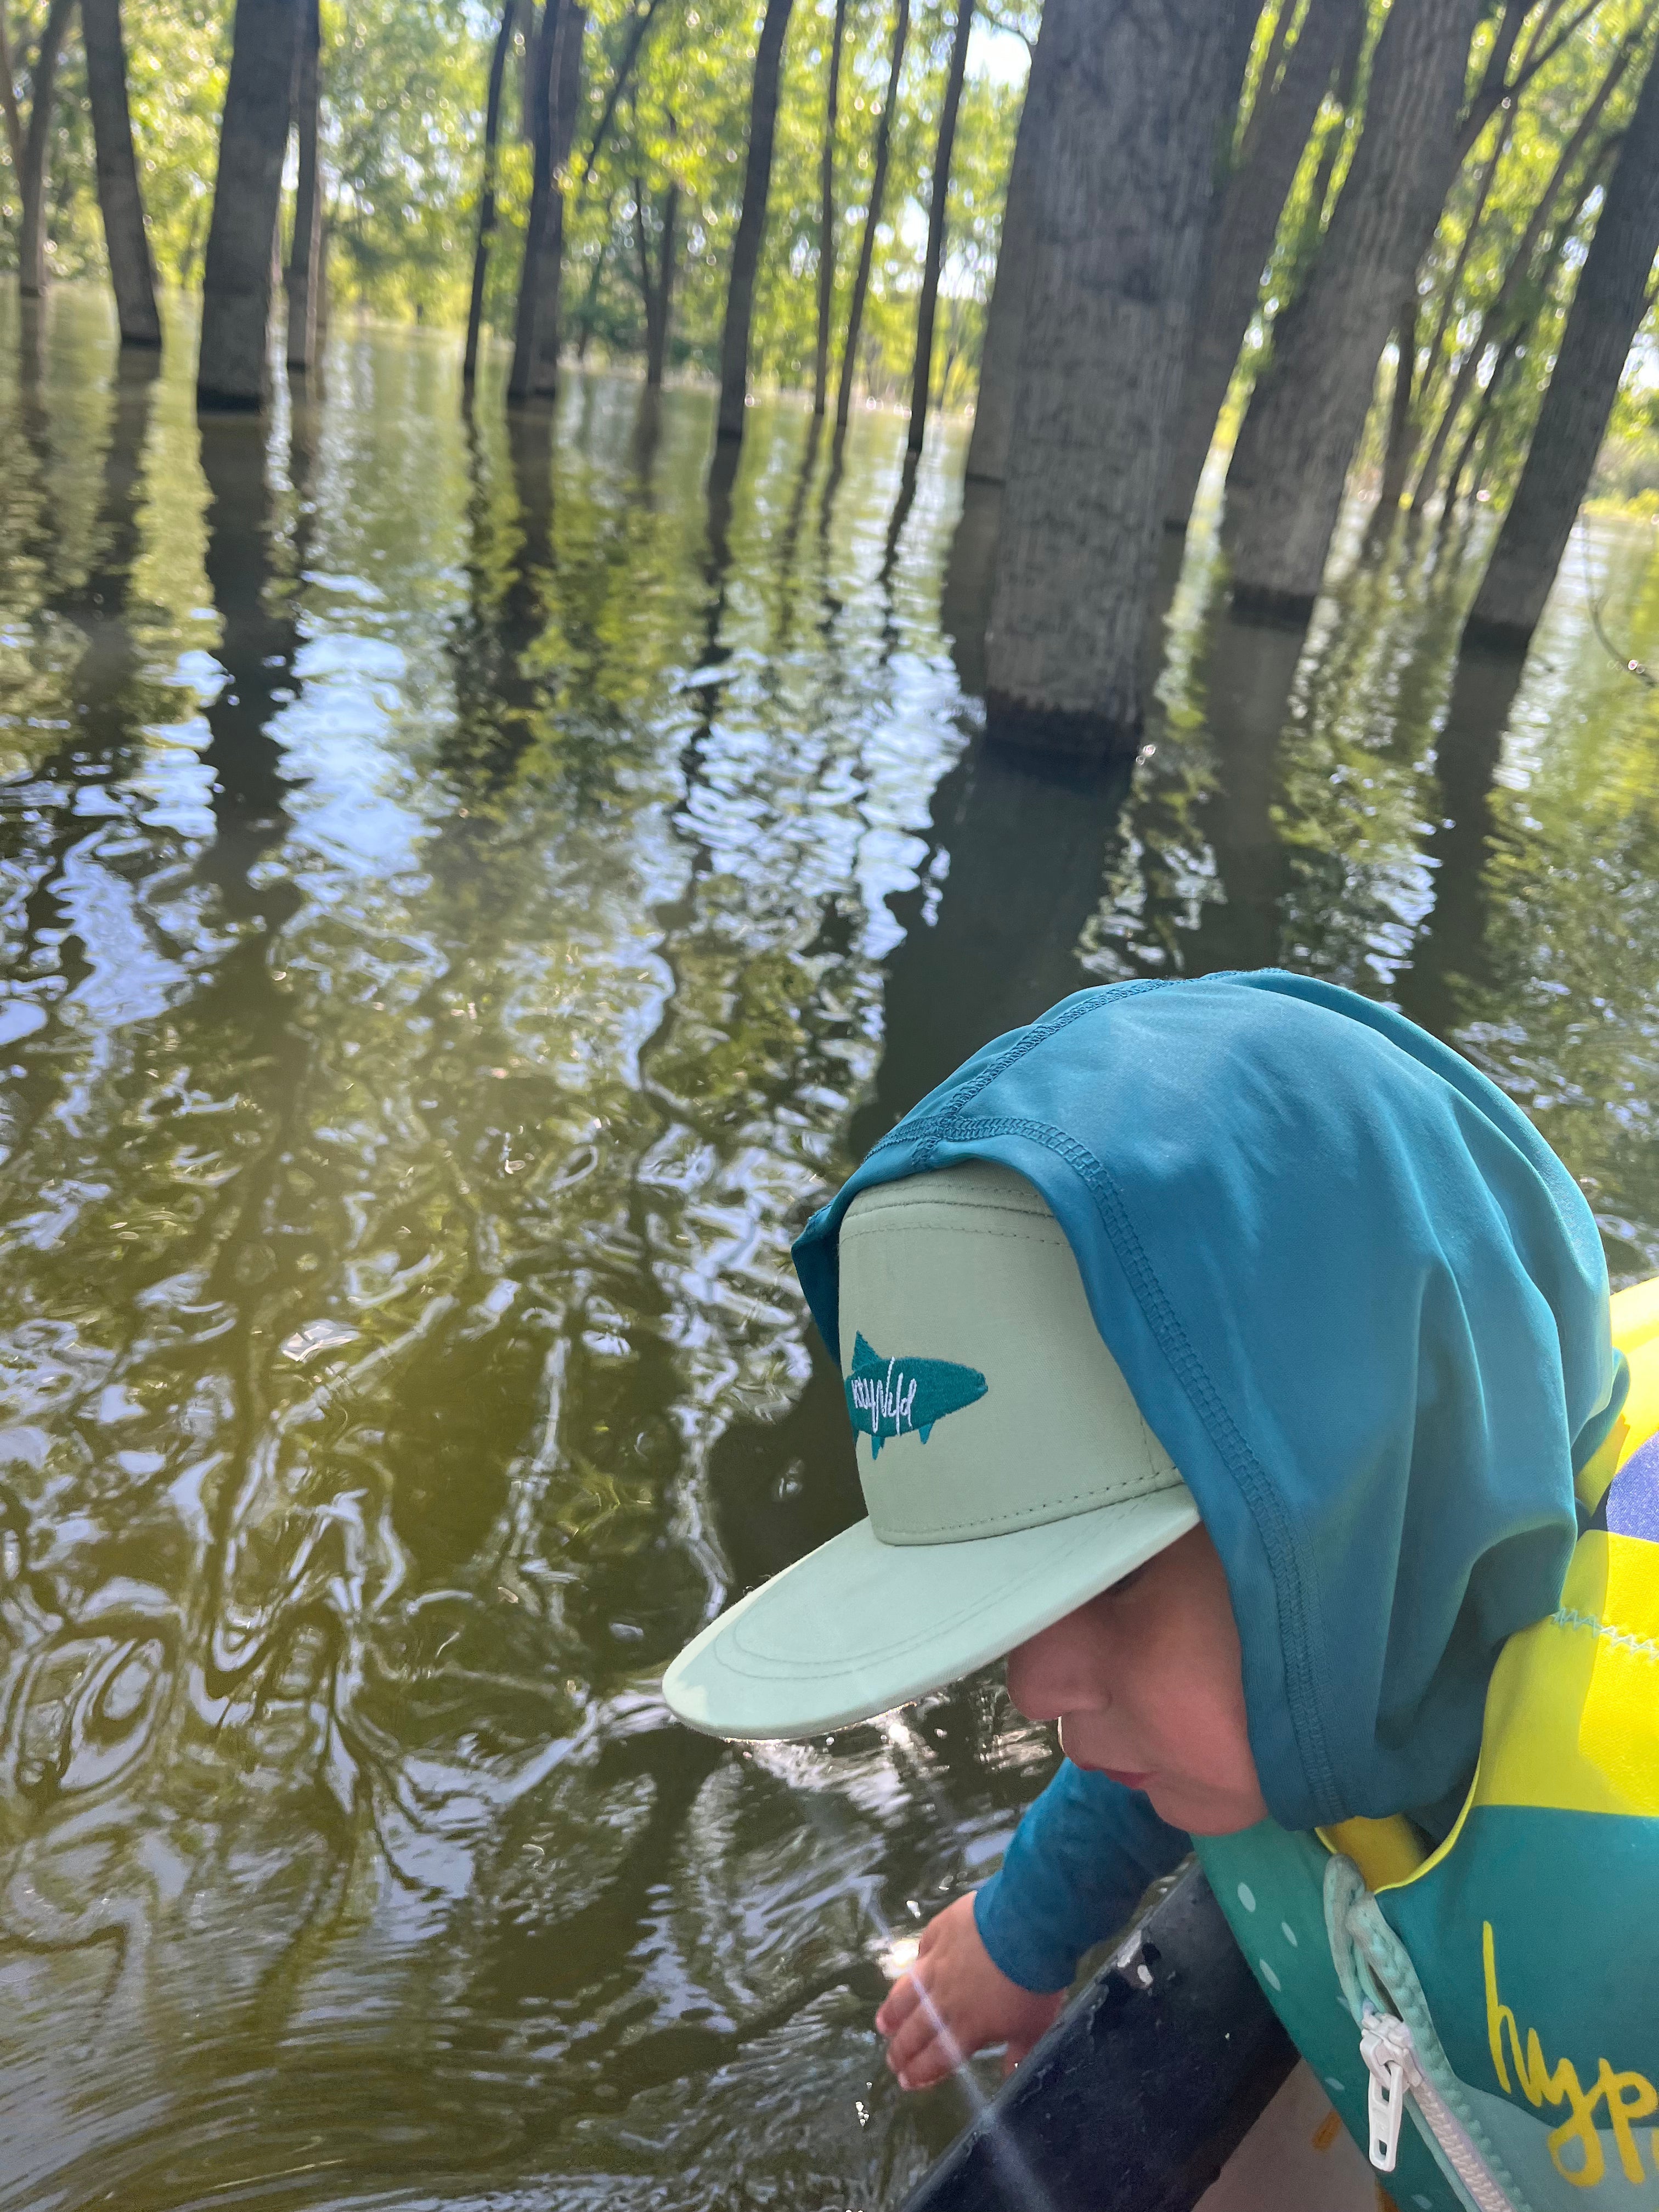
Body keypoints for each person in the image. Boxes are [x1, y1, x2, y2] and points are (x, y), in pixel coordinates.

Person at [664, 971, 1657, 2211]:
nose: (1034, 1686)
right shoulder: (1330, 1633)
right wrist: (1028, 1924)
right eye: (1021, 1601)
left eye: (1120, 1580)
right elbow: (1168, 1754)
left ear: (1371, 1520)